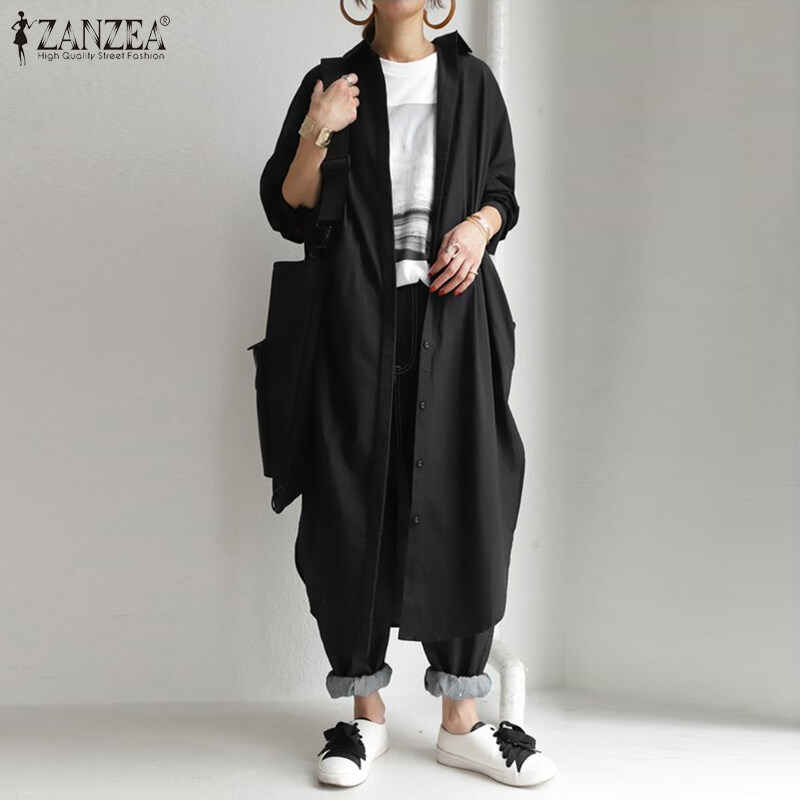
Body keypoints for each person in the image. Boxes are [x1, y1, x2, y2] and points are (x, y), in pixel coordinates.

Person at [258, 0, 556, 788]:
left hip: (454, 323)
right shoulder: (332, 83)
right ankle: (364, 717)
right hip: (356, 323)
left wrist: (480, 227)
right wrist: (317, 129)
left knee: (468, 495)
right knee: (349, 500)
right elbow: (289, 209)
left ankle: (462, 720)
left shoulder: (473, 83)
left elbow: (502, 192)